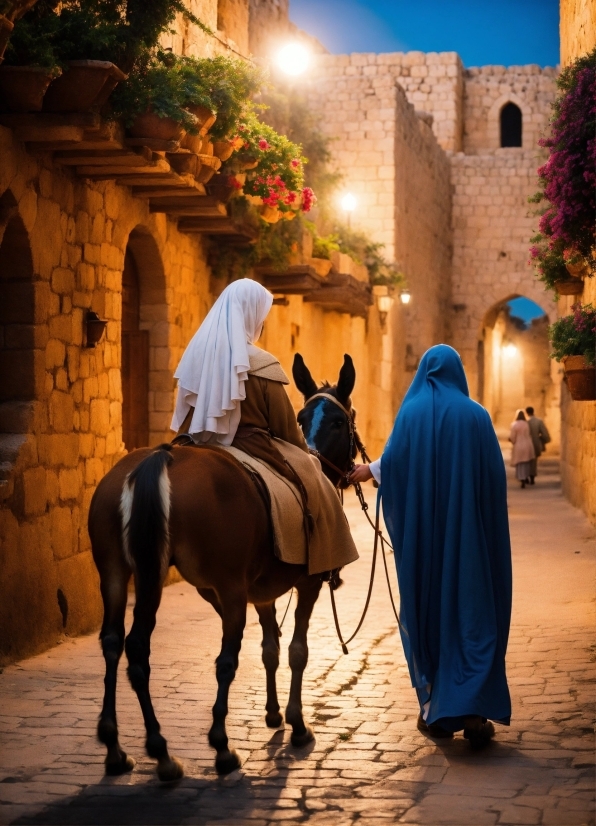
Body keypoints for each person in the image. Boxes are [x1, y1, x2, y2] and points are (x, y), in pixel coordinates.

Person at [349, 344, 512, 746]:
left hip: (426, 545)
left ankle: (436, 710)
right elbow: (494, 482)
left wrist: (366, 471)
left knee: (430, 610)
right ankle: (474, 713)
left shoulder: (411, 415)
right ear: (458, 372)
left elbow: (396, 463)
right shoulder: (477, 417)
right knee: (473, 611)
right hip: (470, 542)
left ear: (423, 373)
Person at [171, 278, 358, 573]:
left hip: (199, 444)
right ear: (250, 314)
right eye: (262, 316)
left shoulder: (196, 359)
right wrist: (306, 455)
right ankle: (327, 562)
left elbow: (184, 413)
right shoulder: (262, 364)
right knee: (315, 476)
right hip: (254, 446)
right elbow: (285, 427)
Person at [509, 409, 535, 489]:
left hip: (518, 445)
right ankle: (525, 477)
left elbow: (513, 437)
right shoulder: (527, 424)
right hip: (527, 445)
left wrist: (512, 441)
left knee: (519, 464)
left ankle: (521, 478)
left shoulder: (514, 424)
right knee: (526, 462)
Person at [525, 406, 551, 485]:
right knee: (534, 461)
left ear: (526, 412)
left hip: (526, 443)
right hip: (535, 443)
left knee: (526, 461)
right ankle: (532, 477)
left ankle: (525, 476)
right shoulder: (539, 421)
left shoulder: (525, 422)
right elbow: (545, 434)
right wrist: (542, 440)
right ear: (533, 411)